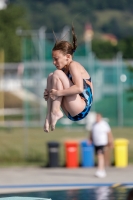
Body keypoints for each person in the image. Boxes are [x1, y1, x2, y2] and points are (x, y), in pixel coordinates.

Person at [43, 25, 93, 132]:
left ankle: (55, 111)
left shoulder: (73, 65)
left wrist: (57, 93)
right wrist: (49, 93)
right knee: (50, 77)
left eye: (56, 59)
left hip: (81, 108)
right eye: (53, 59)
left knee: (56, 74)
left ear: (68, 57)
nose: (54, 62)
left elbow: (79, 88)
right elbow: (58, 90)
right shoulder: (62, 71)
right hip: (70, 111)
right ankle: (50, 114)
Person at [89, 113, 114, 178]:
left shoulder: (104, 124)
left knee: (100, 156)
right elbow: (92, 132)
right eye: (96, 117)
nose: (97, 118)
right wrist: (90, 139)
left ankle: (100, 170)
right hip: (96, 143)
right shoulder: (94, 124)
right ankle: (102, 170)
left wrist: (110, 141)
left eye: (98, 117)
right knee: (99, 156)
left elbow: (109, 133)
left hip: (102, 142)